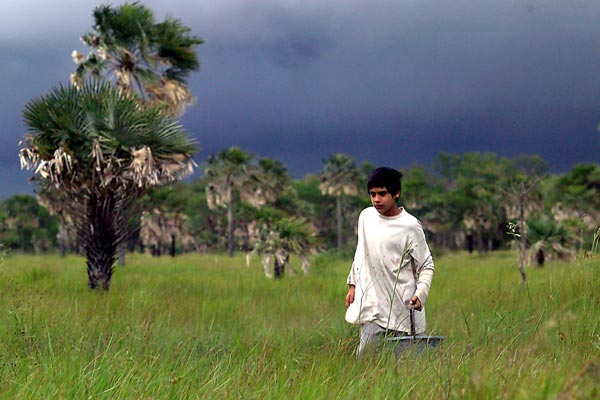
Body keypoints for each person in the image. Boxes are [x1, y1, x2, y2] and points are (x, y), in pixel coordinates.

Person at [344, 166, 435, 355]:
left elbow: (426, 265)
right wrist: (352, 284)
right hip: (373, 306)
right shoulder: (366, 217)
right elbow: (361, 253)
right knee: (366, 359)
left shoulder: (410, 225)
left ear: (396, 194)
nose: (376, 199)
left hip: (403, 309)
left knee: (406, 365)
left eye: (382, 194)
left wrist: (421, 294)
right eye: (372, 194)